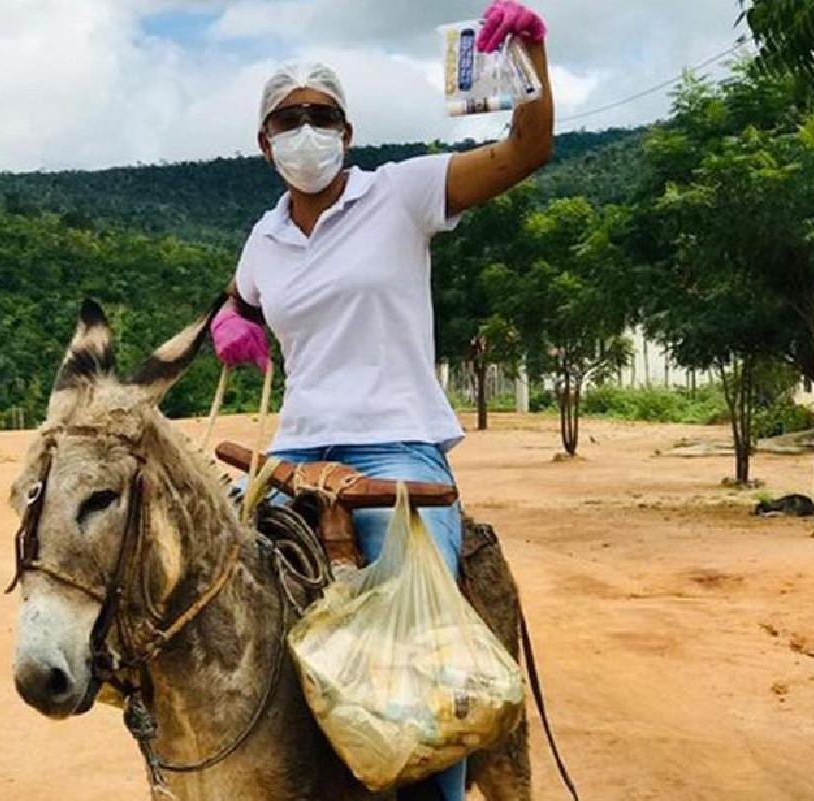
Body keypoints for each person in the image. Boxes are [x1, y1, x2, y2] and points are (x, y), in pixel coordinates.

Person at [210, 2, 553, 799]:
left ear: (348, 132)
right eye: (288, 119)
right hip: (291, 451)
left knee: (425, 649)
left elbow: (526, 149)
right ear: (265, 144)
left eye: (320, 115)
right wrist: (236, 320)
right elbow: (243, 297)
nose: (306, 130)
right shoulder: (261, 239)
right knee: (194, 573)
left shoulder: (403, 193)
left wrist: (532, 59)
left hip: (399, 447)